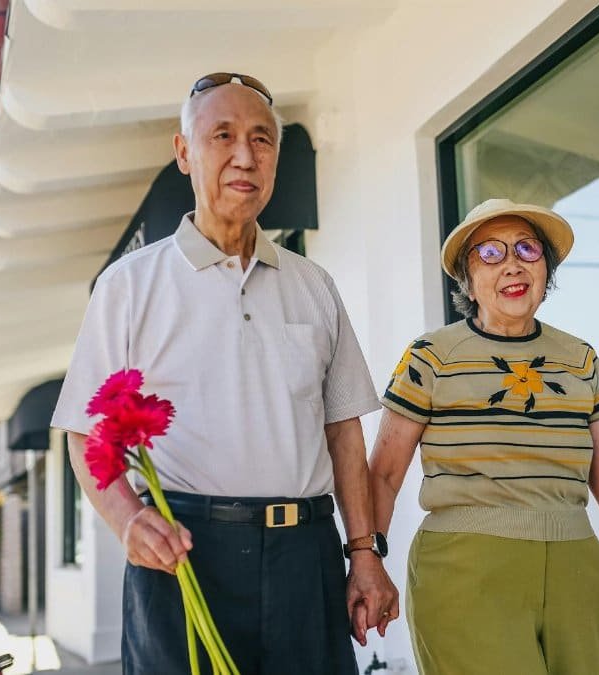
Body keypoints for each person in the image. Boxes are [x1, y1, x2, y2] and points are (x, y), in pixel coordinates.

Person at [51, 73, 398, 674]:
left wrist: (364, 554)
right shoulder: (129, 286)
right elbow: (86, 433)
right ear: (184, 153)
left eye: (262, 140)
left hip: (305, 558)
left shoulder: (313, 285)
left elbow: (344, 431)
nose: (245, 155)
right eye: (223, 136)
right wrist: (127, 519)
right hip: (184, 560)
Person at [368, 198, 599, 674]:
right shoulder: (430, 357)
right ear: (467, 279)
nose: (511, 264)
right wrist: (367, 562)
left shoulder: (580, 359)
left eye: (527, 250)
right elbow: (384, 473)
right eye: (490, 253)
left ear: (545, 272)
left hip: (579, 567)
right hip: (463, 570)